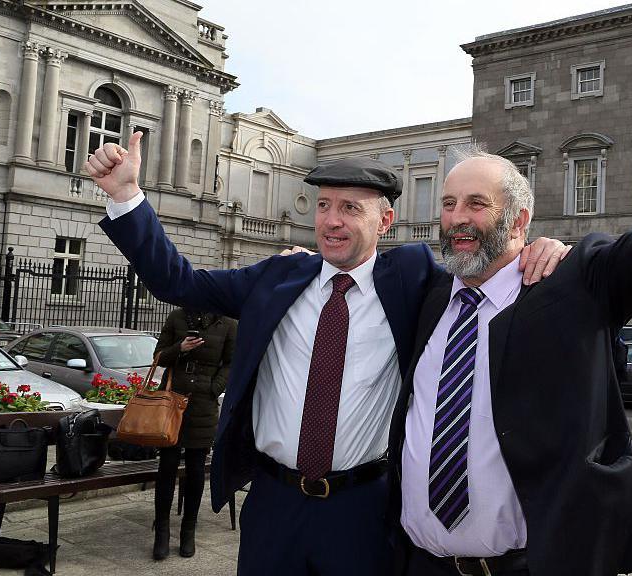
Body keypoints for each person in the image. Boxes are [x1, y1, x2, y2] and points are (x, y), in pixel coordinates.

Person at [390, 24, 632, 575]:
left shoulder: (575, 282)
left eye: (476, 204)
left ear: (519, 220)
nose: (457, 218)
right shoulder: (429, 297)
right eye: (449, 203)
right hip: (418, 564)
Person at [87, 144, 567, 574]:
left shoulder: (413, 279)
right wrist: (127, 197)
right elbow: (179, 282)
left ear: (384, 221)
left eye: (349, 208)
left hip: (362, 510)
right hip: (273, 503)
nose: (331, 220)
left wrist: (544, 249)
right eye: (323, 206)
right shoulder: (277, 278)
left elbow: (483, 261)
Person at [151, 307, 237, 559]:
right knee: (166, 466)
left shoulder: (228, 323)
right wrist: (180, 348)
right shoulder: (177, 317)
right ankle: (162, 532)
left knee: (196, 468)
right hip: (171, 400)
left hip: (203, 403)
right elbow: (158, 356)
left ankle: (189, 531)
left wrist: (214, 388)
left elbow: (232, 362)